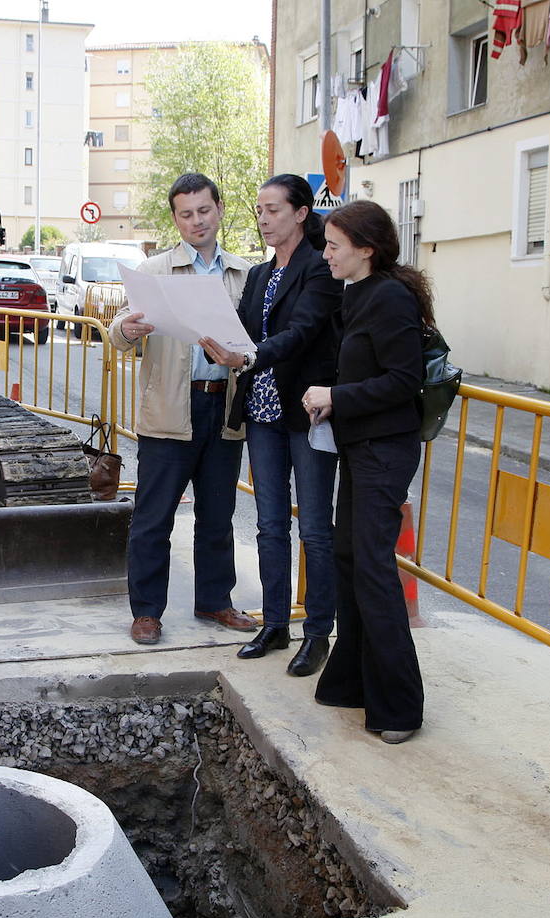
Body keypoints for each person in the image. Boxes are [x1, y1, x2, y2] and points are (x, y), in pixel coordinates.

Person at [111, 172, 259, 645]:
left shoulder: (244, 273)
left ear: (219, 210)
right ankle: (147, 611)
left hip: (225, 408)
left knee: (217, 516)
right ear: (175, 218)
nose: (197, 221)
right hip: (170, 409)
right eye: (186, 214)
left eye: (204, 211)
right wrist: (127, 332)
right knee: (154, 517)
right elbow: (117, 331)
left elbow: (259, 342)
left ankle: (214, 600)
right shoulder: (154, 272)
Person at [203, 174, 342, 676]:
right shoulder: (261, 274)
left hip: (305, 413)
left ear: (301, 213)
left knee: (315, 530)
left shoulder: (320, 269)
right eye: (259, 210)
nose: (263, 218)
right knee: (268, 525)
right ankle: (276, 624)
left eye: (273, 209)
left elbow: (303, 332)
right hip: (260, 413)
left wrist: (249, 353)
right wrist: (209, 335)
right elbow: (236, 327)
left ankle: (318, 633)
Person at [302, 200, 428, 745]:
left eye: (333, 245)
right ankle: (353, 682)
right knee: (351, 557)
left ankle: (400, 707)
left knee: (373, 567)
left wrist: (337, 395)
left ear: (366, 249)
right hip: (361, 445)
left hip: (384, 451)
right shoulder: (361, 294)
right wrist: (338, 403)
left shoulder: (391, 298)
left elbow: (405, 380)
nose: (325, 253)